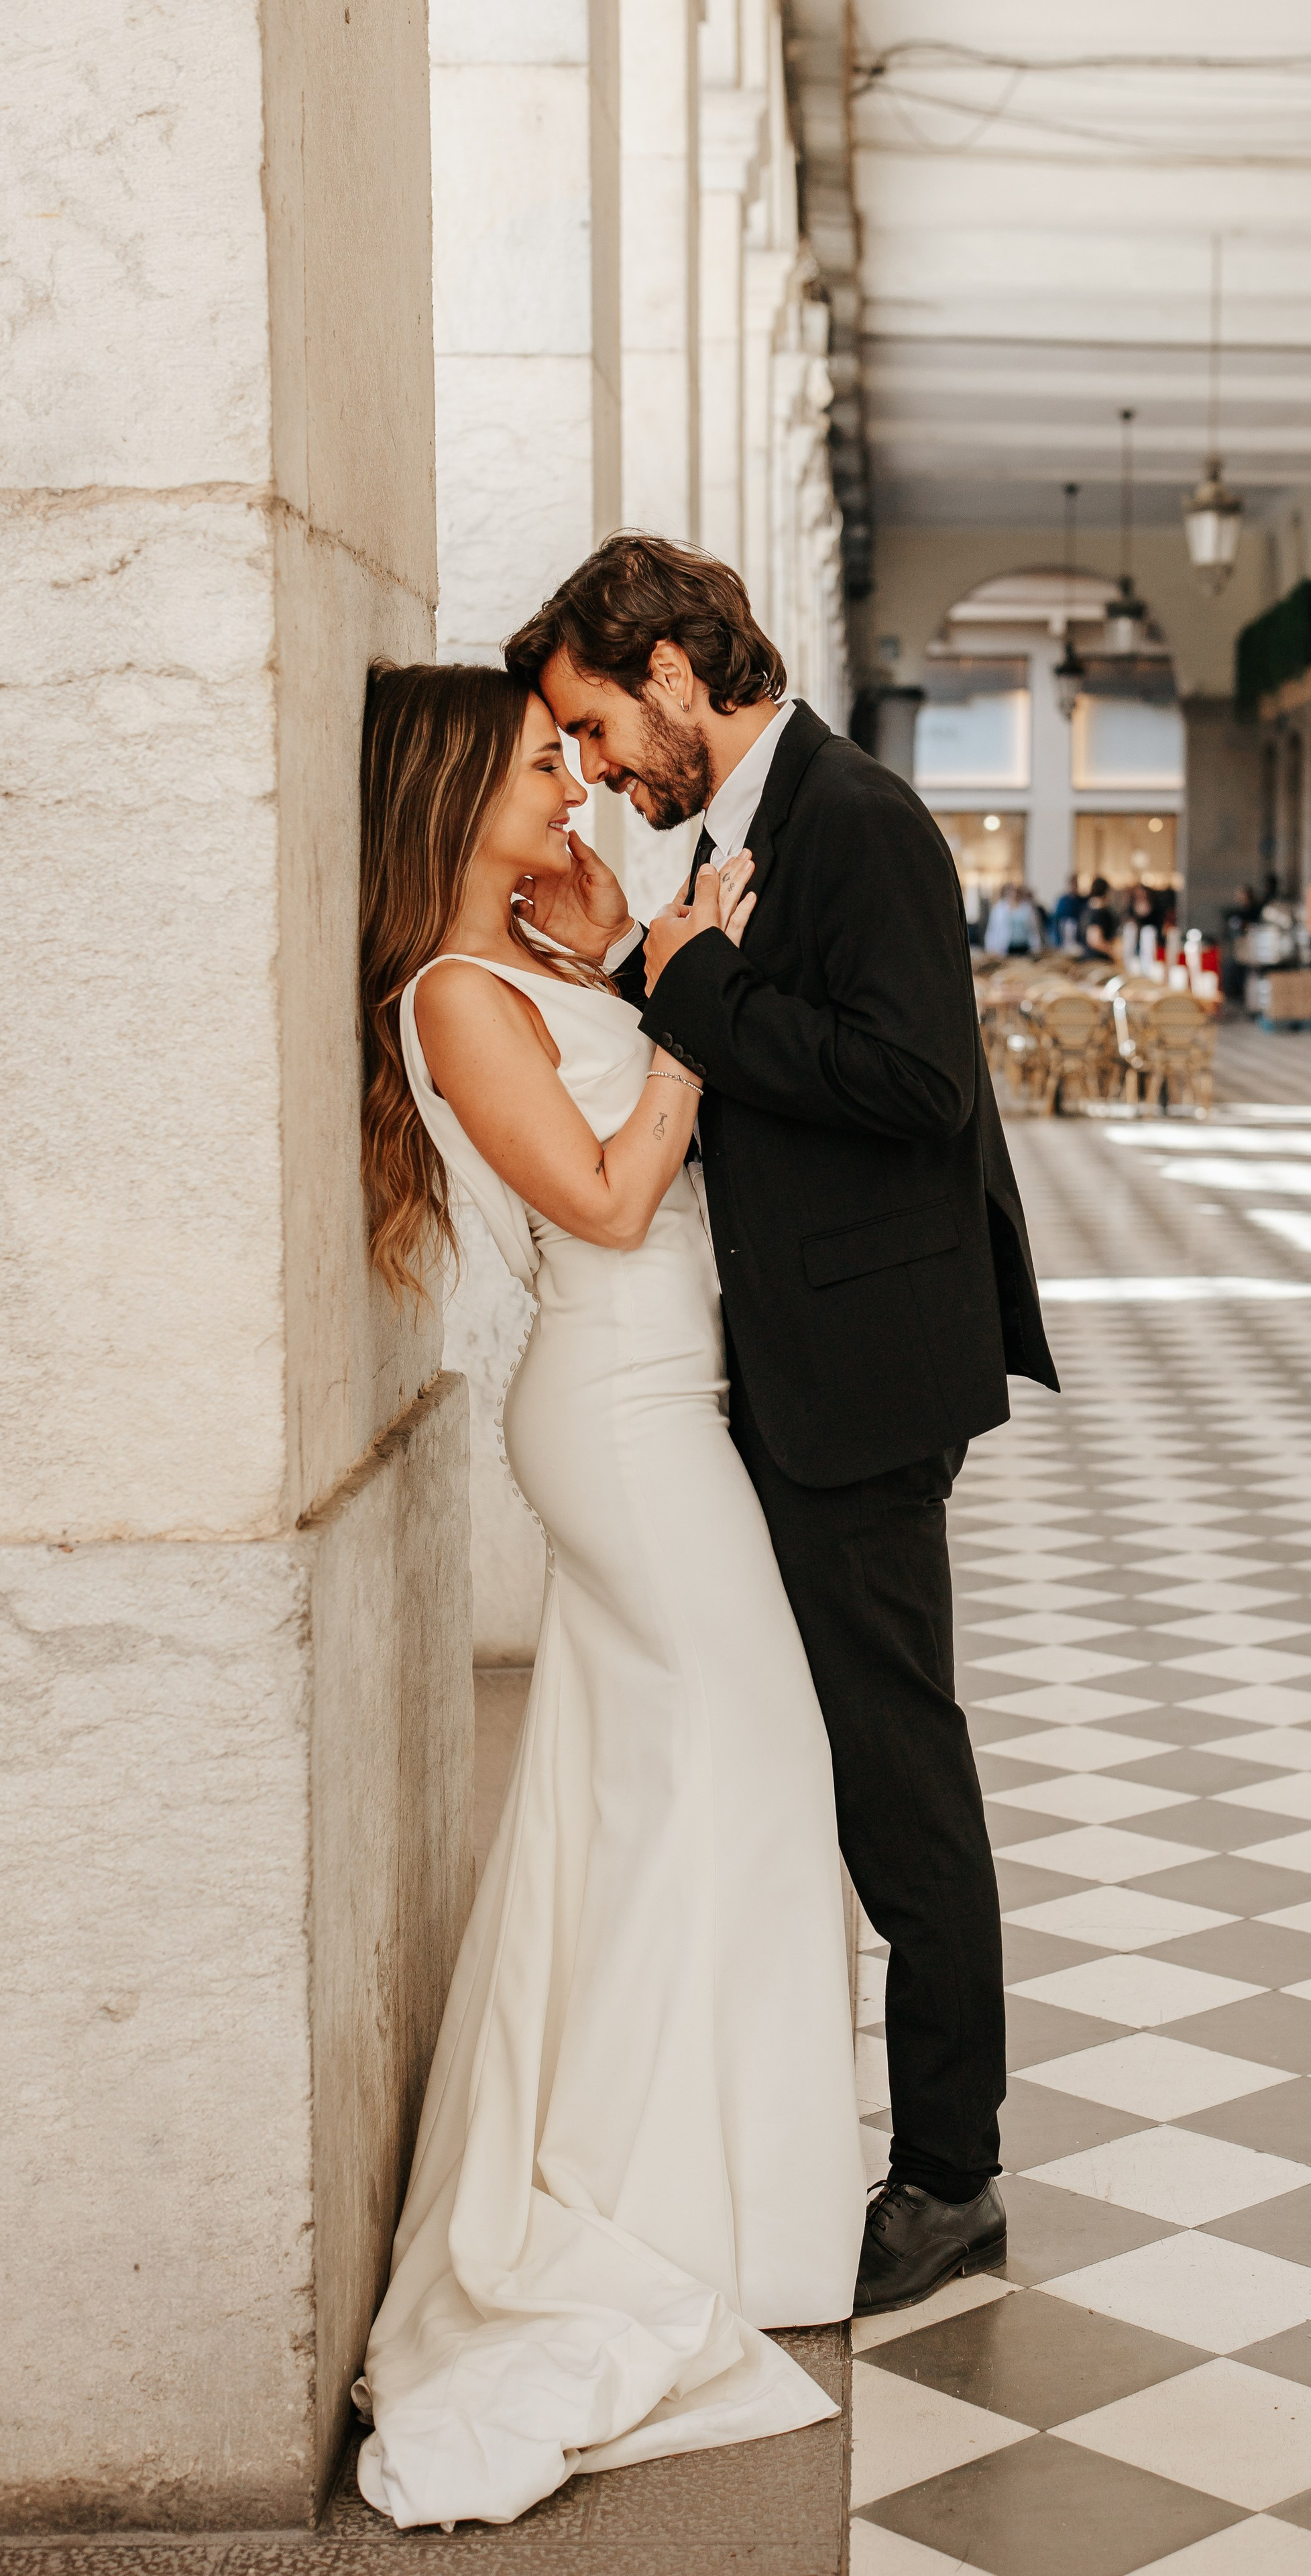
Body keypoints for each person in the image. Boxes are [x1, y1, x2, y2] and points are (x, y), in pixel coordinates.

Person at [504, 532, 1058, 2322]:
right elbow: (747, 1062)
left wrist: (680, 985)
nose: (590, 767)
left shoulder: (861, 817)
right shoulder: (743, 829)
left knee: (901, 1778)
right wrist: (640, 973)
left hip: (867, 1377)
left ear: (674, 670)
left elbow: (909, 1081)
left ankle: (954, 2175)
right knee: (846, 1764)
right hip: (801, 1368)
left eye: (594, 725)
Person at [351, 664, 866, 2529]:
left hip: (671, 1409)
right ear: (441, 799)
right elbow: (608, 1201)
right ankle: (667, 2197)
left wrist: (636, 961)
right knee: (757, 1771)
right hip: (622, 1422)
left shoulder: (536, 966)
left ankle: (704, 2182)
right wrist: (685, 1005)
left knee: (662, 1797)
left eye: (568, 751)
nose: (573, 779)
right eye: (534, 762)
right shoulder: (452, 995)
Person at [984, 880, 1041, 956]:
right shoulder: (999, 908)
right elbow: (993, 929)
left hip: (1024, 946)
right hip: (1005, 946)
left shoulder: (1027, 908)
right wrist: (990, 947)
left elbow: (1033, 929)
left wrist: (1036, 947)